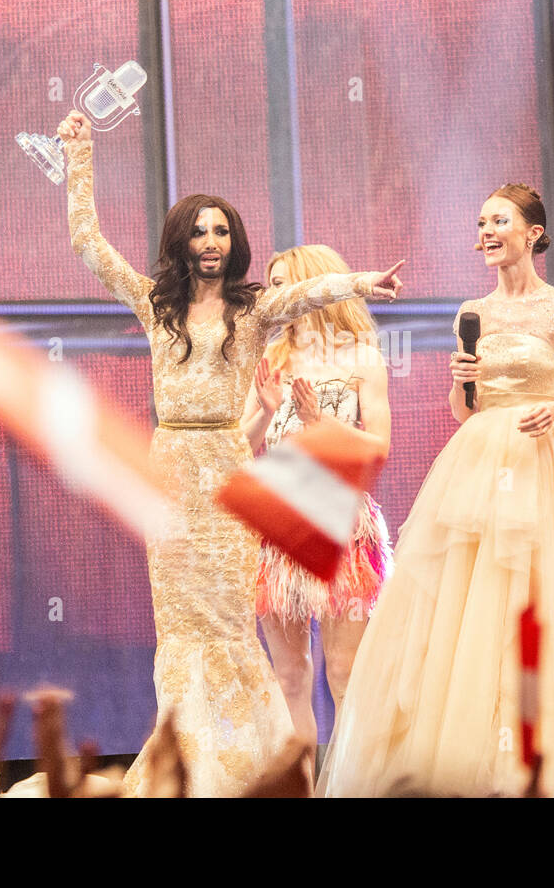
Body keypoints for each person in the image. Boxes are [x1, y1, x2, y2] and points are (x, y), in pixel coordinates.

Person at [58, 111, 405, 796]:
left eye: (221, 230)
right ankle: (185, 760)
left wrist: (361, 282)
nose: (210, 240)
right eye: (199, 229)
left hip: (226, 464)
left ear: (233, 241)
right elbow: (88, 244)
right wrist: (79, 156)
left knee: (228, 626)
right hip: (168, 468)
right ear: (182, 240)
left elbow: (305, 290)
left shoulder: (252, 312)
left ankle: (250, 766)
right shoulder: (156, 306)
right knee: (180, 627)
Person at [319, 184, 554, 797]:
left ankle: (550, 752)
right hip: (479, 459)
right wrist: (464, 383)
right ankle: (482, 756)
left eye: (499, 220)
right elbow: (463, 411)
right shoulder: (470, 312)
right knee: (474, 602)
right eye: (481, 221)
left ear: (532, 233)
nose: (486, 231)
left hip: (549, 462)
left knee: (552, 597)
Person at [239, 244, 394, 758]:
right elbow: (241, 440)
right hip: (279, 521)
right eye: (272, 284)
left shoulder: (362, 357)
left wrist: (320, 423)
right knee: (288, 675)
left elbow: (378, 448)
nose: (276, 296)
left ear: (315, 287)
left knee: (345, 670)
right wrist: (265, 412)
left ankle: (355, 783)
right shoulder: (271, 358)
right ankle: (297, 786)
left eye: (286, 284)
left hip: (339, 520)